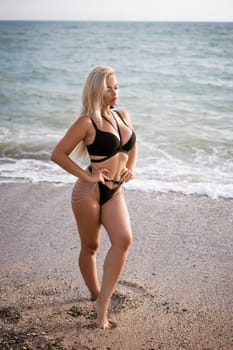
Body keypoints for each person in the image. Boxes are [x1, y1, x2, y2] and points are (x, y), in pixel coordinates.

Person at [51, 66, 137, 329]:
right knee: (90, 247)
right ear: (97, 90)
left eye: (117, 86)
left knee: (123, 240)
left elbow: (132, 148)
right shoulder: (86, 122)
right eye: (109, 87)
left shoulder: (123, 115)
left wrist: (129, 169)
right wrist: (88, 177)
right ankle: (95, 294)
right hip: (88, 193)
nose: (115, 92)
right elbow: (58, 154)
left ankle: (102, 303)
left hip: (115, 190)